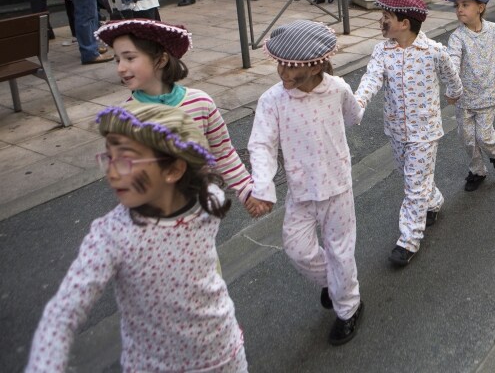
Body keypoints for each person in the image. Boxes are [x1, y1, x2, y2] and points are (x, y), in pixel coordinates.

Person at [25, 102, 246, 372]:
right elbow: (63, 313)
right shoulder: (111, 235)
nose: (112, 172)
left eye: (126, 160)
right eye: (108, 157)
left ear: (174, 170)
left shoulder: (208, 202)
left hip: (225, 354)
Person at [246, 20, 364, 345]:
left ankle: (349, 308)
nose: (284, 73)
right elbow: (261, 145)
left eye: (293, 67)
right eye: (281, 65)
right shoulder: (273, 100)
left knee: (341, 252)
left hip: (338, 186)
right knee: (297, 249)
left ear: (315, 66)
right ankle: (336, 283)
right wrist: (262, 187)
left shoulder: (338, 89)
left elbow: (354, 116)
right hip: (300, 191)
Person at [354, 0, 463, 267]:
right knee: (415, 177)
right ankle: (434, 200)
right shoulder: (382, 51)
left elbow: (452, 75)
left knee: (413, 186)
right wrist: (358, 101)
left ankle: (409, 240)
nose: (382, 21)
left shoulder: (433, 51)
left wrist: (454, 92)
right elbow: (371, 79)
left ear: (404, 23)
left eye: (387, 17)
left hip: (425, 132)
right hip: (396, 130)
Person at [96, 19, 254, 204]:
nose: (121, 68)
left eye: (129, 58)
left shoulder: (200, 102)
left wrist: (247, 190)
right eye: (117, 60)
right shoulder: (124, 117)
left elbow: (223, 153)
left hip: (200, 208)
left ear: (161, 60)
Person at [445, 0, 495, 192]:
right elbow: (452, 64)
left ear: (481, 8)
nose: (459, 9)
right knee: (467, 139)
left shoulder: (494, 30)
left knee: (484, 136)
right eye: (457, 6)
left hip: (487, 95)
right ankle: (477, 170)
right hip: (464, 99)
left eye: (465, 5)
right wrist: (452, 90)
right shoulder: (457, 37)